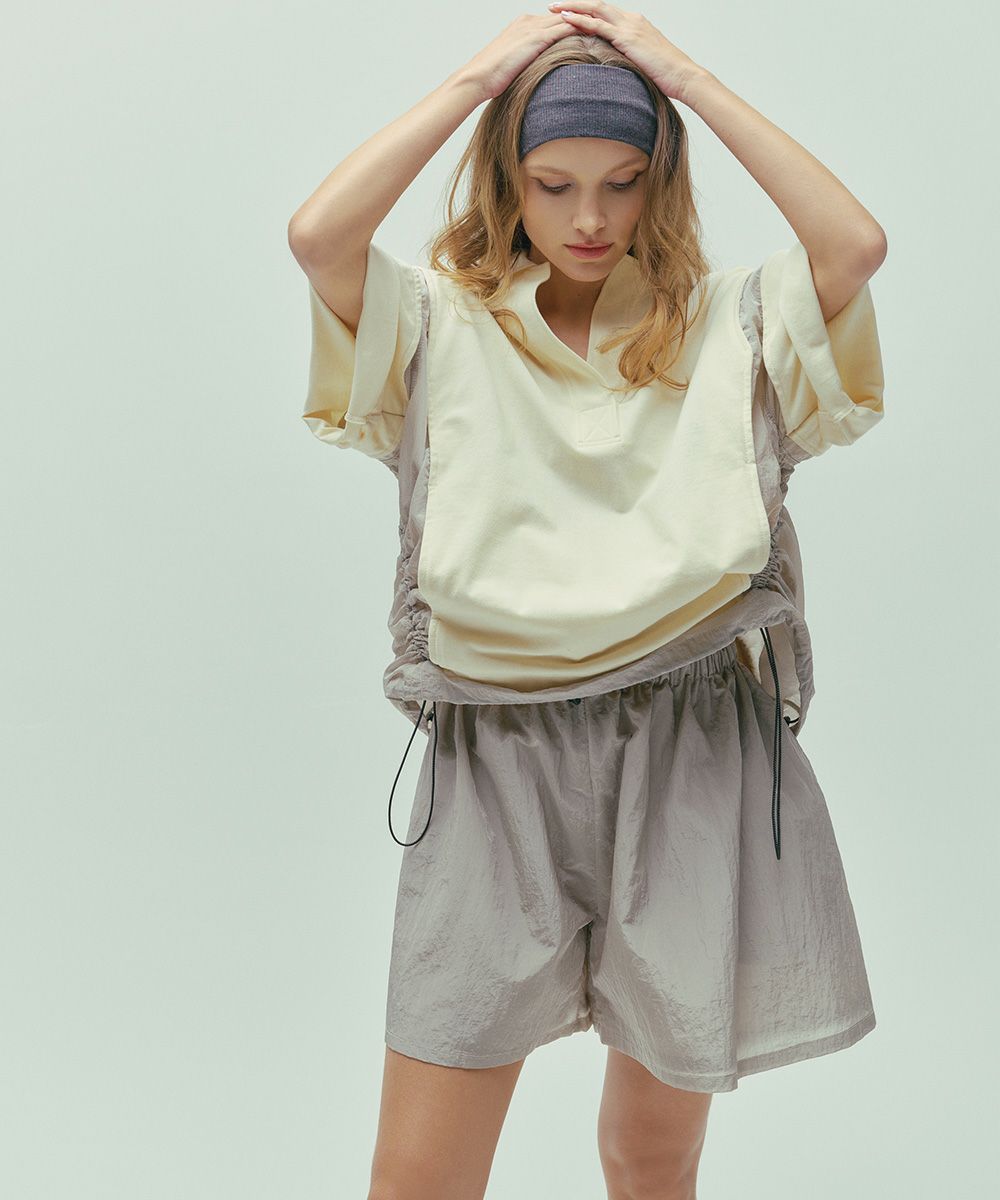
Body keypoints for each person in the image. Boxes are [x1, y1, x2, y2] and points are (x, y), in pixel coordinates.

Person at [288, 5, 886, 1198]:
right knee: (418, 1176)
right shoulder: (437, 324)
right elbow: (318, 235)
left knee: (651, 1154)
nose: (590, 219)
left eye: (623, 182)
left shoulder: (731, 322)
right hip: (496, 756)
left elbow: (854, 246)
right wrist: (480, 80)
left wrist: (682, 78)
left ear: (660, 181)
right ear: (506, 179)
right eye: (553, 184)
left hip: (689, 743)